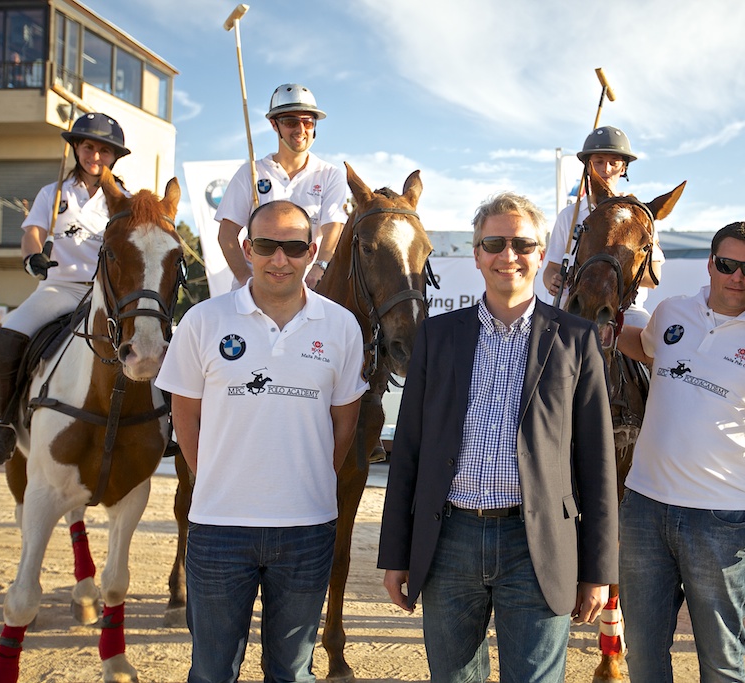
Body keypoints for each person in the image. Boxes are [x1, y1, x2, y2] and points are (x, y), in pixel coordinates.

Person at [378, 192, 619, 683]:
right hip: (449, 541)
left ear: (540, 254)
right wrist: (395, 553)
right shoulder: (437, 335)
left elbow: (597, 463)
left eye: (523, 244)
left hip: (538, 544)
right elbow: (409, 450)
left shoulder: (575, 338)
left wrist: (598, 570)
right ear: (476, 254)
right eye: (494, 242)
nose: (509, 255)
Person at [156, 200, 367, 683]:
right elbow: (184, 419)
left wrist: (307, 481)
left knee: (292, 673)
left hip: (307, 532)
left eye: (293, 247)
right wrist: (215, 475)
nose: (280, 259)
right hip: (217, 530)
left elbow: (344, 425)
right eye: (267, 246)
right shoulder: (202, 321)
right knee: (211, 673)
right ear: (247, 249)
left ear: (312, 252)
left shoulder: (341, 327)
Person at [616, 221, 745, 682]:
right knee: (644, 657)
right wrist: (604, 331)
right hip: (644, 510)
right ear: (710, 263)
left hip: (721, 521)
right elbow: (644, 349)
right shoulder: (670, 313)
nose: (737, 277)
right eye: (727, 264)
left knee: (721, 662)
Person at [0, 113, 131, 466]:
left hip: (106, 294)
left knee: (151, 341)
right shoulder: (54, 192)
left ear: (114, 156)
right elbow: (32, 233)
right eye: (88, 146)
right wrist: (32, 258)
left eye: (104, 150)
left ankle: (157, 425)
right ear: (76, 147)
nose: (95, 155)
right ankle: (2, 427)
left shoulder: (125, 197)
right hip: (59, 287)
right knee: (2, 340)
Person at [216, 83, 348, 290]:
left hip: (307, 291)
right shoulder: (251, 172)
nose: (301, 130)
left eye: (308, 122)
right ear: (274, 124)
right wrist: (245, 281)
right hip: (255, 294)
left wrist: (319, 269)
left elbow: (334, 228)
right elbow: (226, 234)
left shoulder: (330, 175)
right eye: (290, 121)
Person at [543, 125, 665, 325]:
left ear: (623, 168)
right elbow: (551, 269)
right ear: (587, 167)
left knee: (649, 345)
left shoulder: (641, 216)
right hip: (571, 306)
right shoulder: (568, 216)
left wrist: (608, 275)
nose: (606, 169)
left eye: (613, 162)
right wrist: (552, 281)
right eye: (598, 162)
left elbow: (653, 278)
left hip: (623, 312)